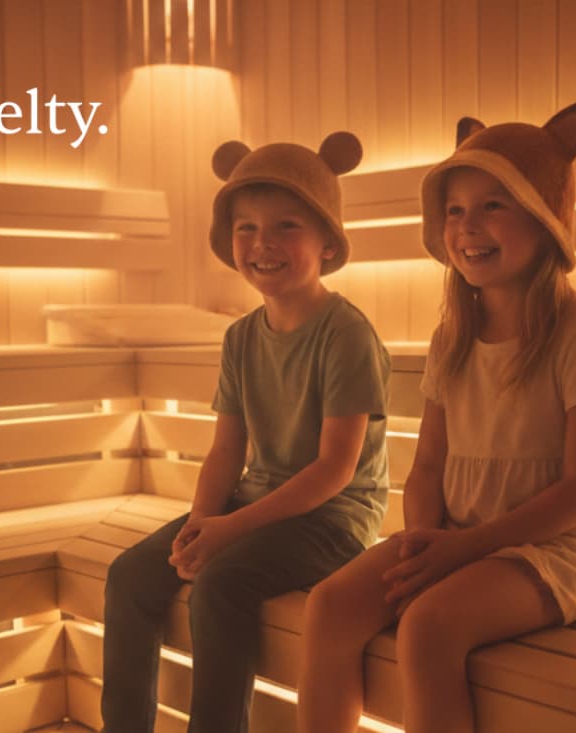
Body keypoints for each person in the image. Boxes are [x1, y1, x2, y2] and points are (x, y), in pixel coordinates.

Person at [297, 100, 576, 733]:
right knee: (329, 605)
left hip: (557, 550)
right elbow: (429, 464)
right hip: (458, 535)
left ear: (544, 219)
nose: (468, 226)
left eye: (493, 205)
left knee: (428, 626)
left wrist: (458, 553)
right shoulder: (452, 337)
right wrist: (422, 543)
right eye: (454, 210)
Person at [101, 132, 390, 733]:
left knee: (221, 584)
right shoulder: (240, 337)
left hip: (335, 521)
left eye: (286, 226)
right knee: (130, 574)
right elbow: (226, 451)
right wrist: (201, 524)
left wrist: (228, 531)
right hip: (254, 507)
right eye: (247, 228)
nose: (263, 243)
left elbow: (336, 470)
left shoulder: (346, 335)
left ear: (328, 242)